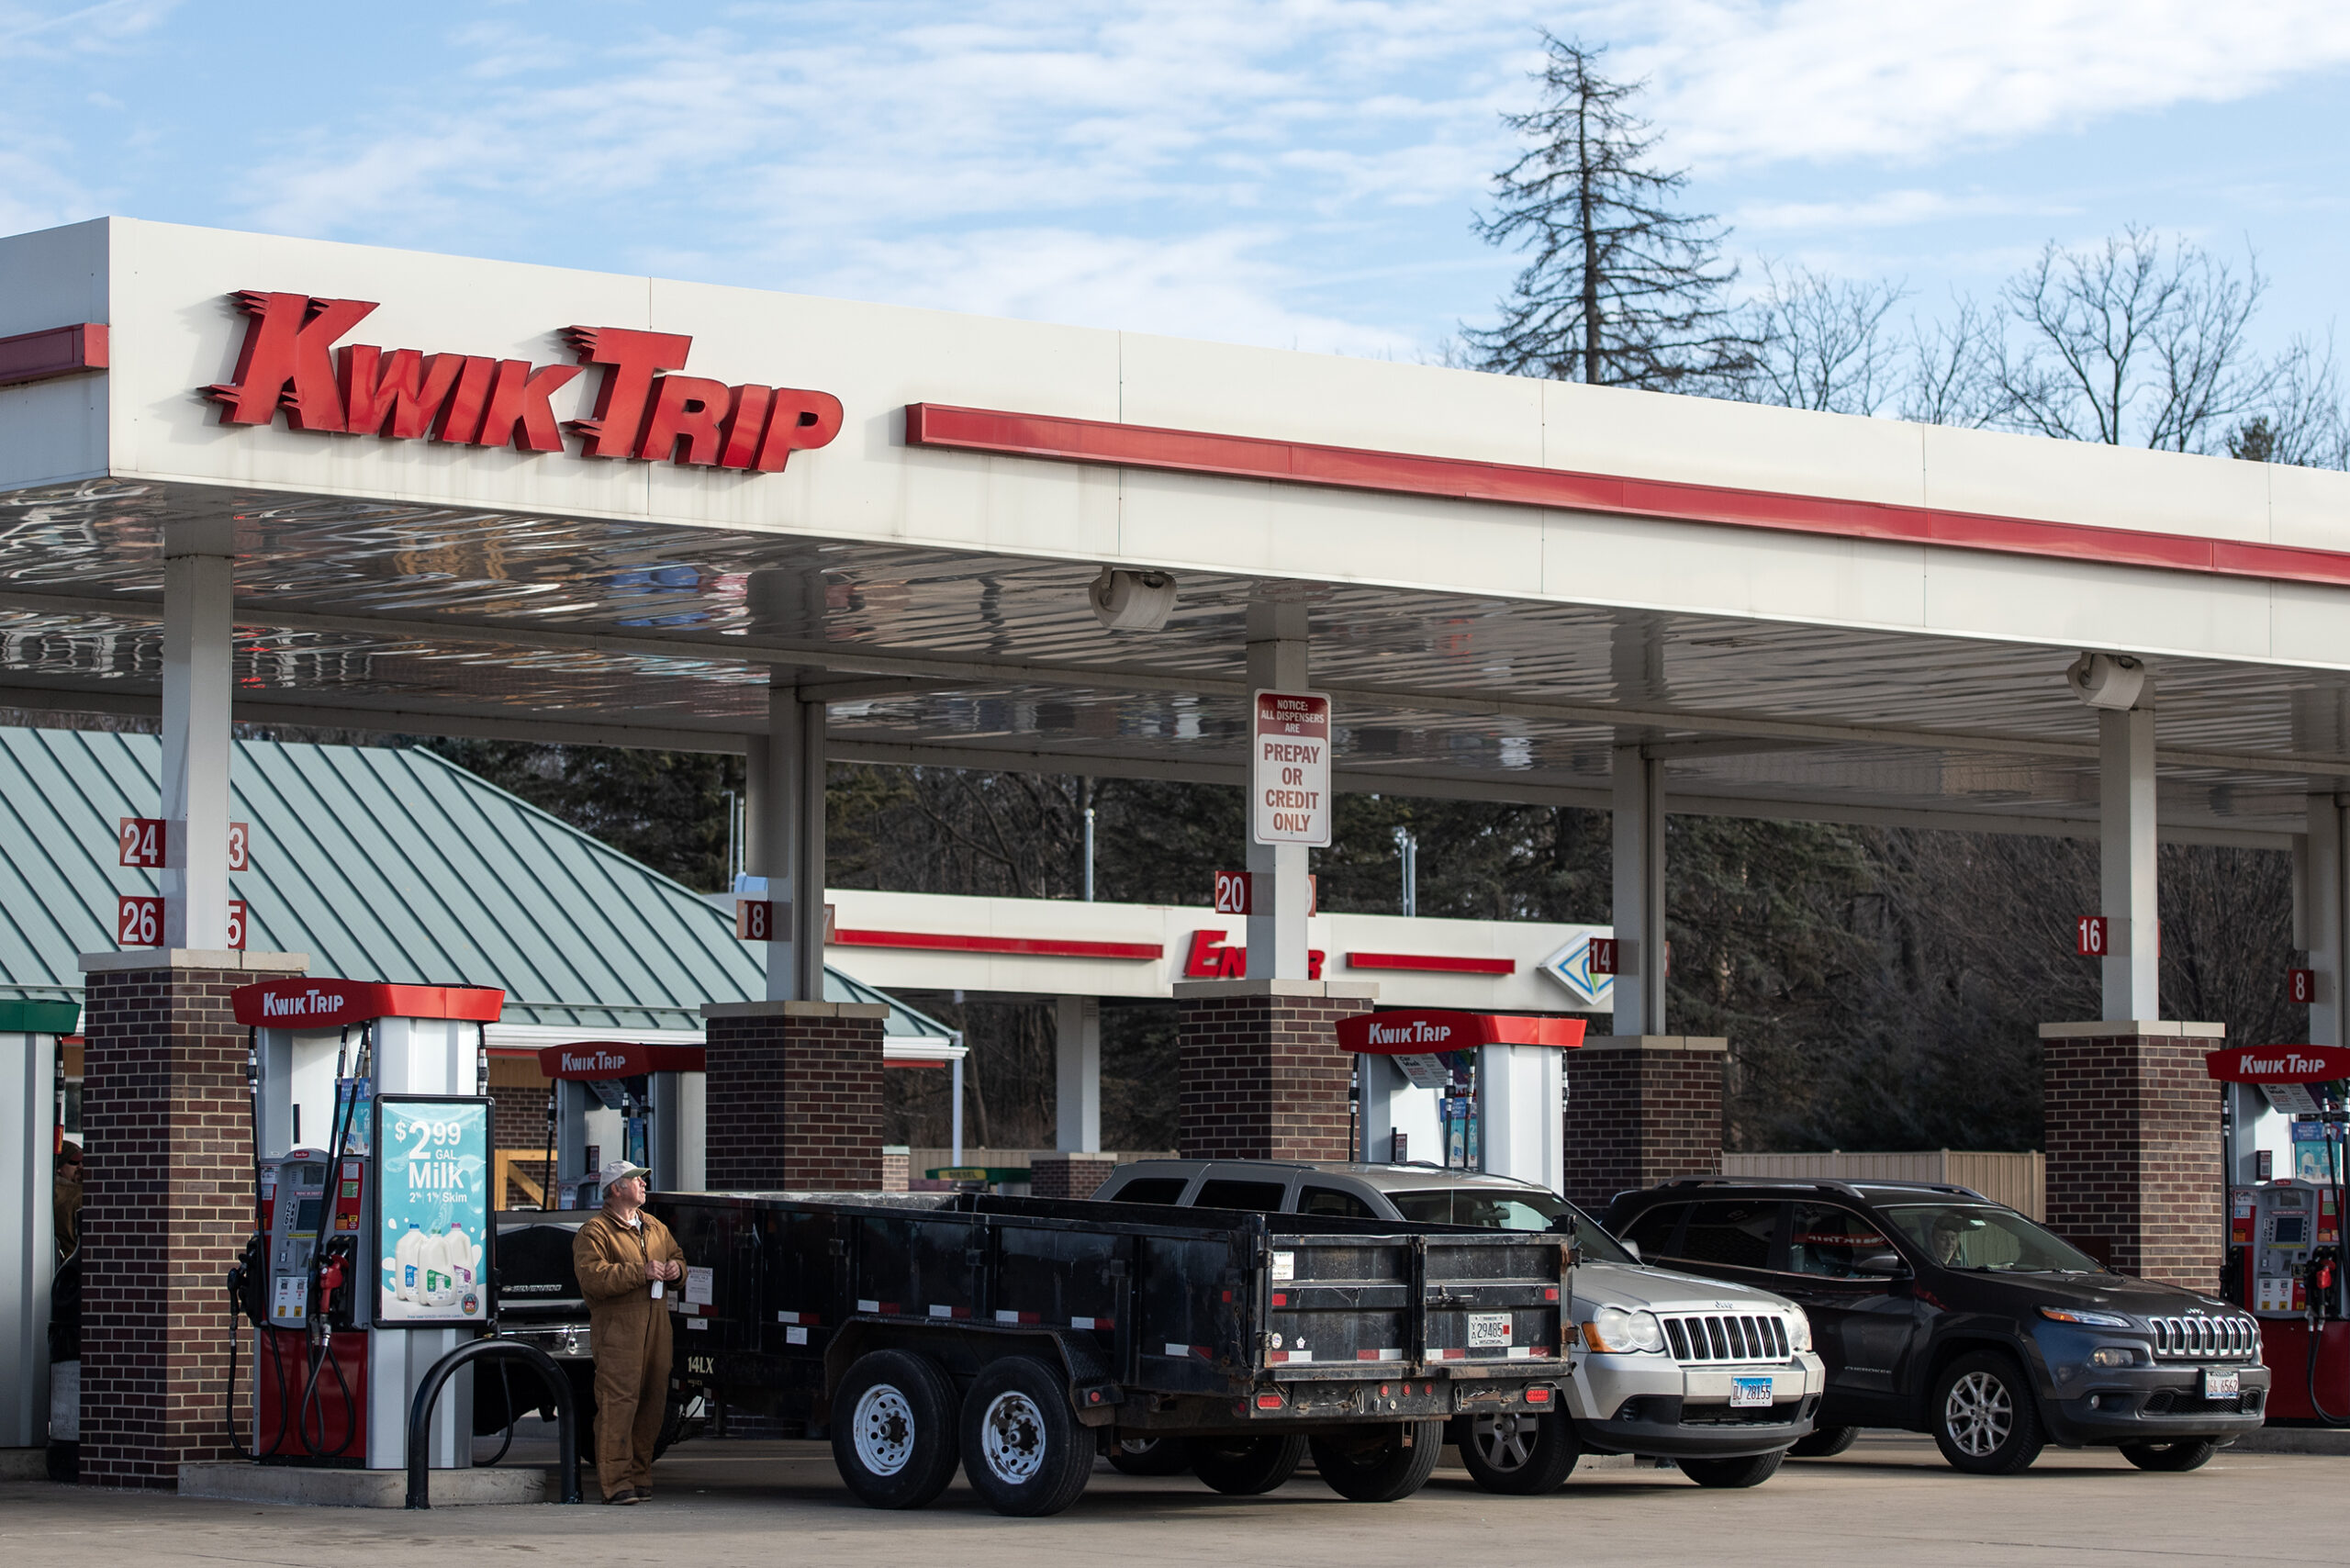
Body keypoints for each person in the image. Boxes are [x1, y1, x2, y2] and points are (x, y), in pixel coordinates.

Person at [571, 1159, 687, 1504]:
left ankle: (640, 1475)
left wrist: (674, 1270)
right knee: (618, 1405)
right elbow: (594, 1278)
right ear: (616, 1189)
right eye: (636, 1180)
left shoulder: (654, 1227)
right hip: (618, 1333)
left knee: (653, 1401)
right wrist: (642, 1272)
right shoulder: (594, 1232)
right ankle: (617, 1483)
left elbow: (679, 1258)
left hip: (657, 1330)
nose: (643, 1184)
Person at [54, 1141, 83, 1260]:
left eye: (83, 1162)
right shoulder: (78, 1197)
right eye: (75, 1162)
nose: (81, 1166)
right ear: (59, 1168)